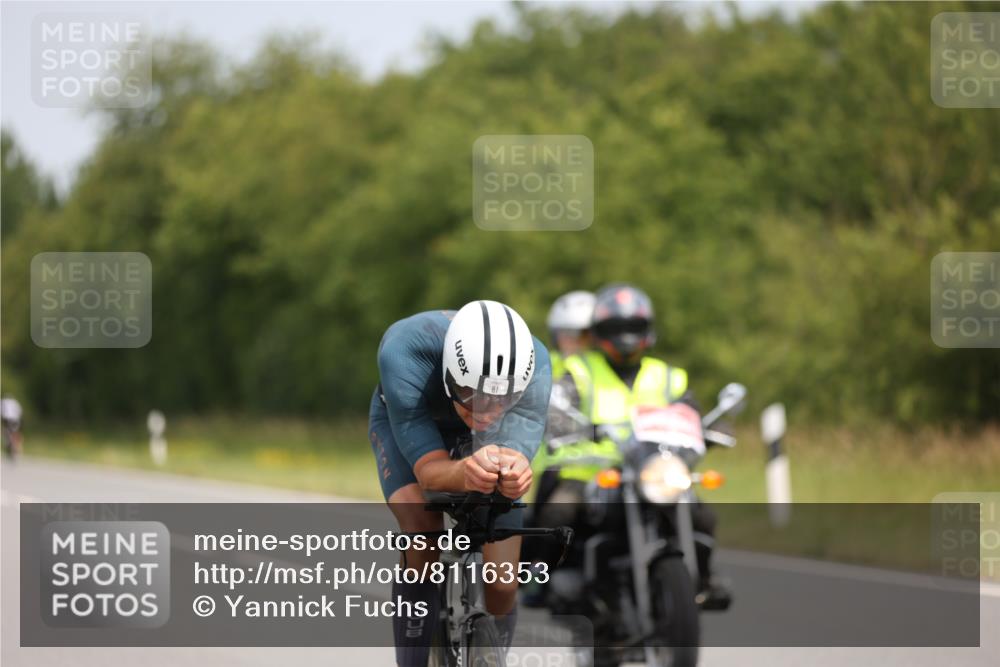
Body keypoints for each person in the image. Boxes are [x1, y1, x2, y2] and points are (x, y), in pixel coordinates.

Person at [369, 300, 552, 667]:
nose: (486, 412)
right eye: (473, 396)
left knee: (501, 583)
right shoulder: (406, 351)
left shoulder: (537, 364)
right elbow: (430, 473)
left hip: (489, 433)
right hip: (413, 418)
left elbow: (515, 457)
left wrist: (514, 473)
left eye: (503, 399)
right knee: (422, 528)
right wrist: (467, 470)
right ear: (451, 375)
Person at [541, 283, 728, 606]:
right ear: (599, 332)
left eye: (633, 327)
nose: (625, 336)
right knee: (558, 513)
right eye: (616, 328)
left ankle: (703, 581)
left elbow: (690, 411)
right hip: (594, 472)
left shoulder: (669, 376)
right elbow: (558, 407)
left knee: (703, 516)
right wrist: (565, 426)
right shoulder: (579, 370)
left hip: (653, 469)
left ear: (647, 330)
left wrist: (710, 427)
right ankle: (546, 582)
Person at [545, 290, 596, 379]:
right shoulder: (546, 364)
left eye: (577, 333)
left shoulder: (602, 368)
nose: (567, 339)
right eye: (562, 331)